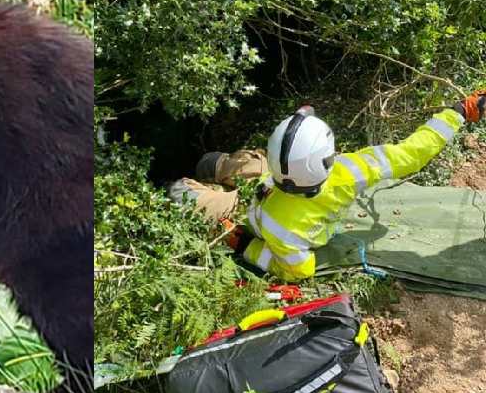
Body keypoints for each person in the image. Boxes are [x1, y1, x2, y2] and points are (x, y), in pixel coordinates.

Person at [172, 90, 486, 281]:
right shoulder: (349, 172)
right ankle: (215, 170)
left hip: (248, 211)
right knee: (238, 167)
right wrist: (459, 111)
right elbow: (413, 153)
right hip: (264, 192)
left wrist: (247, 244)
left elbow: (296, 269)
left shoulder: (283, 224)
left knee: (180, 192)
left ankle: (210, 175)